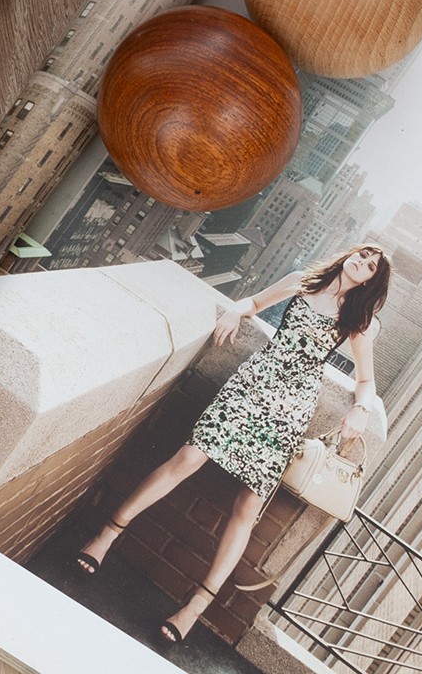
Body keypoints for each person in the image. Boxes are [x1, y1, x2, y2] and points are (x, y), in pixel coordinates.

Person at [72, 242, 389, 647]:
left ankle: (195, 606)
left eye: (371, 266)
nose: (362, 263)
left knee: (248, 504)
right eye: (362, 255)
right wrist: (237, 310)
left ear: (371, 280)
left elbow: (366, 380)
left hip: (289, 410)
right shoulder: (303, 282)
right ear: (349, 255)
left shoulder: (358, 320)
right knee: (188, 458)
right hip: (252, 384)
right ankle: (107, 534)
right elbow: (254, 302)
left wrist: (361, 409)